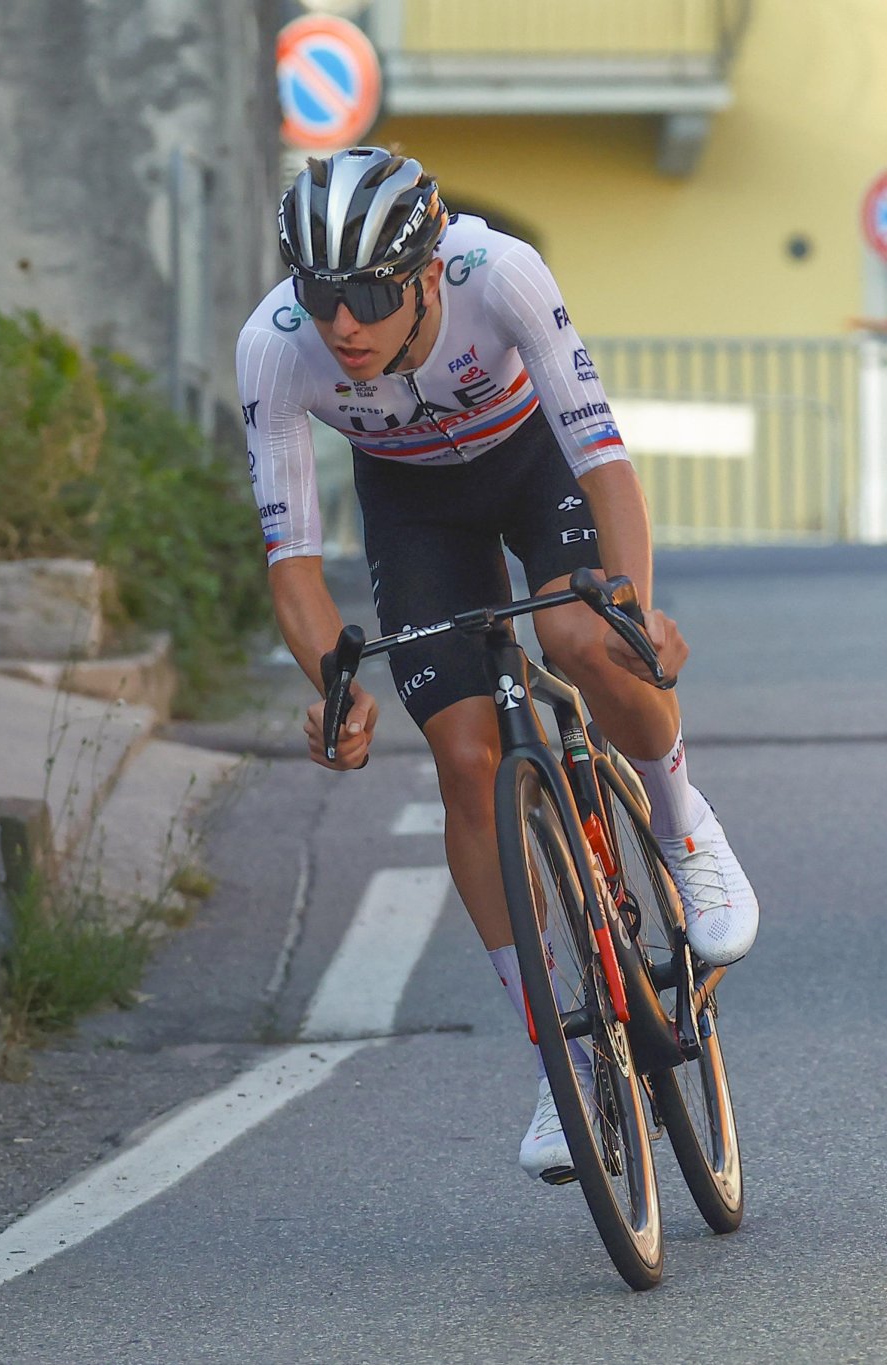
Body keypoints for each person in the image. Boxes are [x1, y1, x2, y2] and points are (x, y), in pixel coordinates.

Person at [236, 147, 759, 1183]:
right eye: (321, 296)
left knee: (579, 638)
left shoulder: (499, 271)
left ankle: (682, 826)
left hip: (533, 463)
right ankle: (562, 1055)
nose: (342, 325)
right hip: (413, 511)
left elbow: (600, 456)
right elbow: (291, 560)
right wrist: (332, 688)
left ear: (428, 273)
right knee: (466, 760)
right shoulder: (274, 346)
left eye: (369, 295)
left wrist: (630, 611)